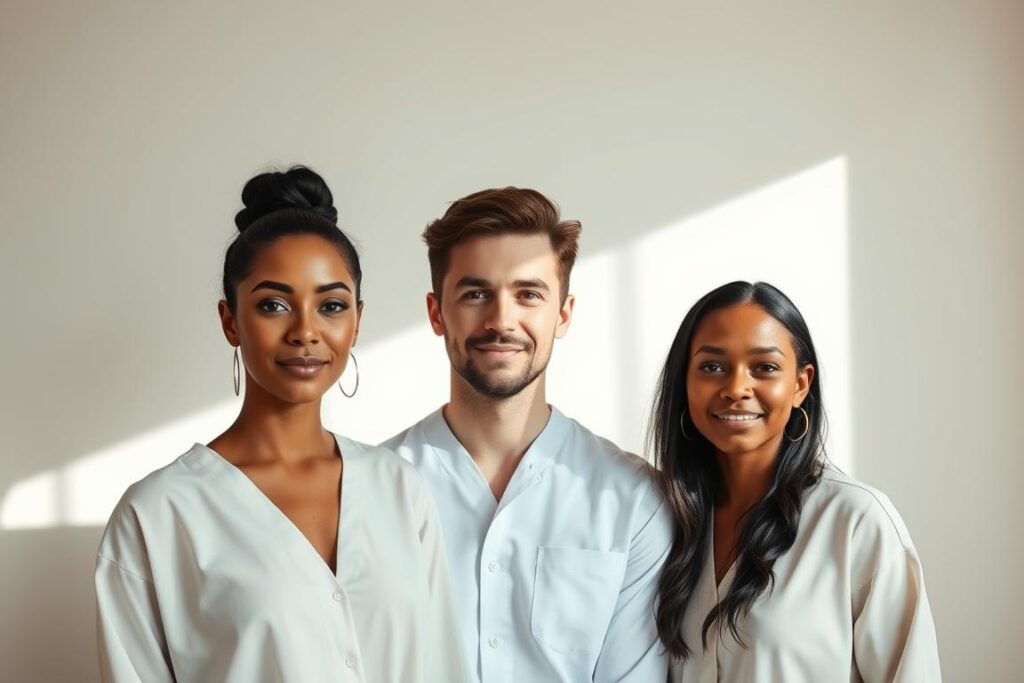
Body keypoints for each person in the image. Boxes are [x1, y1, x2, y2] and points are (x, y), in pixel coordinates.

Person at [94, 166, 468, 683]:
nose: (305, 332)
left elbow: (442, 668)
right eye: (274, 305)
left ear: (356, 320)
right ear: (230, 320)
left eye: (331, 305)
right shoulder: (159, 515)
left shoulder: (400, 489)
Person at [382, 187, 673, 682]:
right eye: (475, 293)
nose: (501, 320)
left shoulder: (633, 500)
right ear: (436, 312)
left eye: (528, 294)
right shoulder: (372, 488)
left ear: (562, 312)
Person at [650, 281, 941, 682]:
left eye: (764, 368)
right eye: (712, 367)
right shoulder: (660, 516)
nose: (736, 388)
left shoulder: (856, 523)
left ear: (800, 384)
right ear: (685, 381)